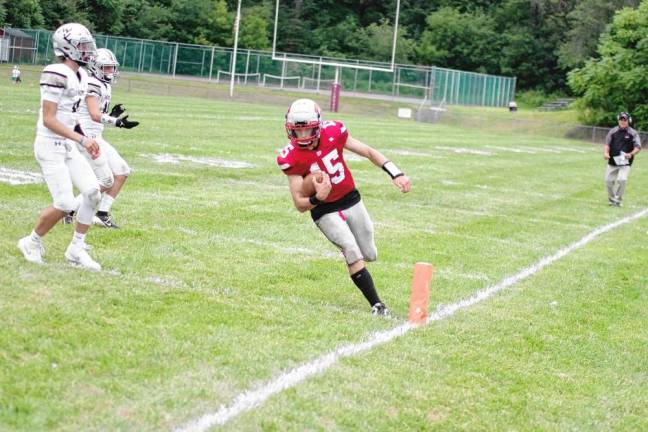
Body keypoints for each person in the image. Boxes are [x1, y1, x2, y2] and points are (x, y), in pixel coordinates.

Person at [277, 98, 411, 316]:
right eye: (297, 131)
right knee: (351, 249)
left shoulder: (334, 131)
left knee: (369, 254)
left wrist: (396, 172)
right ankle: (377, 305)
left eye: (308, 130)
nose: (303, 137)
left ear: (318, 125)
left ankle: (360, 266)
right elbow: (300, 204)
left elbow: (367, 151)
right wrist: (316, 199)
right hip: (323, 208)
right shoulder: (289, 156)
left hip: (350, 198)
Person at [17, 23, 103, 271]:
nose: (88, 50)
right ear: (68, 48)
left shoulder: (82, 75)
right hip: (49, 144)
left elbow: (71, 116)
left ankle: (76, 248)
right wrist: (82, 140)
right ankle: (31, 242)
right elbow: (50, 119)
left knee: (92, 191)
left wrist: (86, 137)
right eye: (83, 46)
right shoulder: (55, 72)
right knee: (65, 203)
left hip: (67, 143)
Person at [70, 47, 139, 228]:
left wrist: (110, 114)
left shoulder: (103, 84)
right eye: (106, 67)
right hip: (86, 137)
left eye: (111, 67)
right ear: (95, 66)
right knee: (105, 180)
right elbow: (93, 114)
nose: (110, 71)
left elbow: (98, 113)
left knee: (122, 172)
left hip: (96, 135)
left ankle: (101, 213)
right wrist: (117, 122)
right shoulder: (92, 83)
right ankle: (70, 207)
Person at [603, 111, 642, 207]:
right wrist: (606, 153)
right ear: (618, 120)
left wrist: (631, 154)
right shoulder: (612, 131)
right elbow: (607, 144)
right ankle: (612, 200)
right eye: (621, 119)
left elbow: (638, 147)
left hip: (625, 162)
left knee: (622, 179)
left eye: (625, 119)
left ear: (629, 121)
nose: (623, 121)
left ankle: (618, 200)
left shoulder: (633, 133)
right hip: (612, 161)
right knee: (608, 180)